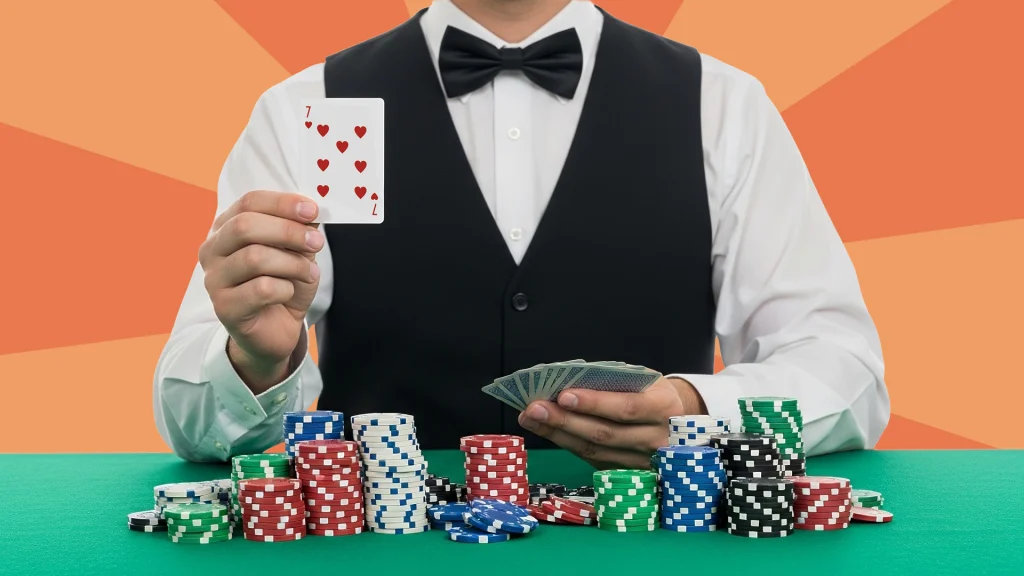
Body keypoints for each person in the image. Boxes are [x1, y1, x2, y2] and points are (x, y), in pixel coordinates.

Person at [154, 0, 888, 467]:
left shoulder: (722, 106)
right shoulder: (310, 111)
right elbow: (193, 427)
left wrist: (698, 412)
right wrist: (255, 360)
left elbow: (846, 373)